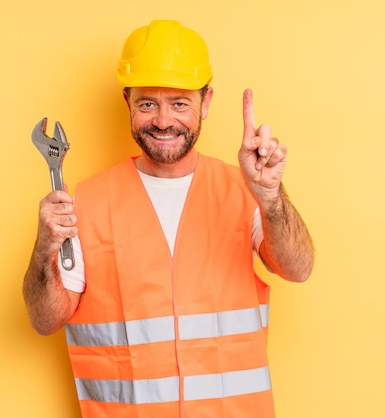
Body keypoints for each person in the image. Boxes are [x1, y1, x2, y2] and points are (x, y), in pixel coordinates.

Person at [23, 20, 314, 418]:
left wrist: (270, 196)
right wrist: (44, 249)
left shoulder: (243, 189)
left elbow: (298, 268)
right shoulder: (86, 201)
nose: (163, 120)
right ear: (127, 101)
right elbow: (45, 320)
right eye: (147, 103)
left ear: (206, 101)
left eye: (179, 103)